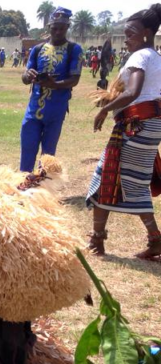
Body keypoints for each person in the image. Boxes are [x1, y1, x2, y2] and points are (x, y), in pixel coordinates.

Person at [86, 4, 161, 260]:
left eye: (131, 33)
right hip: (150, 126)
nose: (127, 39)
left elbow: (133, 92)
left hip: (135, 125)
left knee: (105, 176)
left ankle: (97, 240)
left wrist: (105, 109)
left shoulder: (140, 57)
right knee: (134, 182)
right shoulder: (157, 58)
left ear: (147, 33)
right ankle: (155, 240)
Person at [19, 7, 82, 173]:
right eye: (55, 27)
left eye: (62, 28)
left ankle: (43, 188)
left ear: (67, 27)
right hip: (34, 109)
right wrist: (28, 75)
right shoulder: (38, 49)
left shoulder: (74, 49)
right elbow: (25, 78)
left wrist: (55, 84)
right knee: (27, 147)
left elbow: (74, 79)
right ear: (49, 28)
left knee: (48, 154)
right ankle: (23, 184)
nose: (58, 31)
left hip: (56, 109)